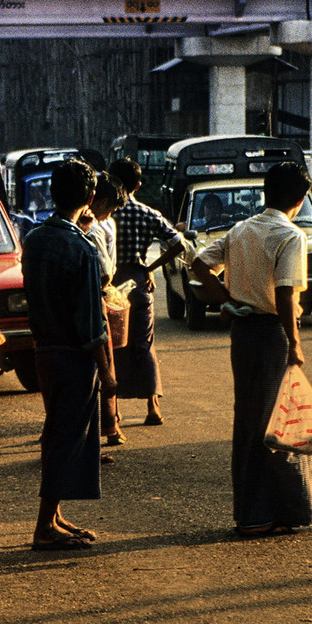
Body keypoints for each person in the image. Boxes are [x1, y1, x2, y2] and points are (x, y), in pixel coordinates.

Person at [190, 162, 312, 537]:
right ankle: (270, 513)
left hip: (243, 333)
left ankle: (255, 511)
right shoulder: (290, 235)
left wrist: (227, 301)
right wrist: (294, 343)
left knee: (250, 421)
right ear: (299, 200)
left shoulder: (240, 229)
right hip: (270, 334)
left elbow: (199, 264)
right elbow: (285, 294)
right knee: (274, 425)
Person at [22, 160, 115, 550]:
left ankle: (54, 516)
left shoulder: (34, 239)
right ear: (90, 198)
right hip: (73, 356)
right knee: (65, 437)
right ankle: (45, 524)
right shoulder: (82, 247)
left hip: (44, 351)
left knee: (56, 432)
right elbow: (92, 321)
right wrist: (107, 372)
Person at [109, 156, 184, 426]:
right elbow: (179, 244)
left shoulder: (104, 214)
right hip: (140, 282)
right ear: (138, 186)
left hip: (111, 285)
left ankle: (113, 410)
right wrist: (150, 267)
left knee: (113, 346)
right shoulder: (148, 213)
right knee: (145, 343)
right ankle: (153, 407)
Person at [80, 170, 128, 451]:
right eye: (108, 208)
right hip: (94, 300)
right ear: (98, 202)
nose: (108, 214)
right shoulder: (95, 227)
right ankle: (107, 426)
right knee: (103, 365)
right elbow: (106, 272)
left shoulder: (99, 224)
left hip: (90, 299)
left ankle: (106, 425)